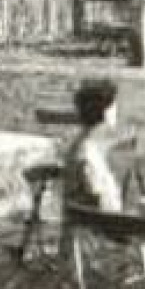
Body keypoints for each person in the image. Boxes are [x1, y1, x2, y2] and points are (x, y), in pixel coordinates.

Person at [62, 77, 125, 213]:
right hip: (102, 226)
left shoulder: (84, 144)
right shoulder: (86, 155)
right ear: (106, 112)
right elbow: (98, 201)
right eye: (114, 107)